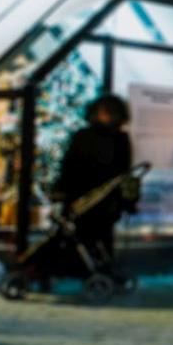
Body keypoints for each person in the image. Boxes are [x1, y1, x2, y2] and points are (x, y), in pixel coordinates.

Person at [55, 96, 134, 268]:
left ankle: (99, 268)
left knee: (100, 234)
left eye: (109, 113)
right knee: (77, 233)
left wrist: (125, 200)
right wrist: (62, 188)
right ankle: (79, 268)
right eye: (102, 112)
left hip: (105, 198)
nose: (105, 116)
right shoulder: (83, 136)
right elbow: (70, 164)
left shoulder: (120, 139)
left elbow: (123, 171)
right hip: (81, 194)